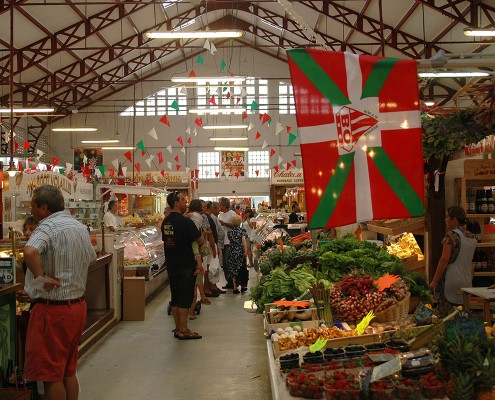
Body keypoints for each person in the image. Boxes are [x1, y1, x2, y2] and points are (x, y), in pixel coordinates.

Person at [23, 185, 97, 400]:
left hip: (52, 310)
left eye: (33, 205)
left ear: (44, 208)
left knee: (50, 376)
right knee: (68, 370)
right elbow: (91, 258)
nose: (32, 210)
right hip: (77, 306)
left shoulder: (47, 227)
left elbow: (29, 251)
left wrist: (39, 278)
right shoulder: (79, 227)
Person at [161, 191, 204, 340]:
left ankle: (178, 328)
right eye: (182, 200)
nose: (186, 201)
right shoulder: (186, 222)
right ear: (176, 203)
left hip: (172, 263)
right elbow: (200, 241)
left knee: (175, 296)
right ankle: (184, 330)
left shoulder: (165, 222)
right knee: (185, 297)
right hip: (186, 263)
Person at [430, 206, 477, 318]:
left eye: (447, 217)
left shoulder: (450, 236)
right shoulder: (472, 236)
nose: (445, 220)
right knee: (462, 318)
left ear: (454, 219)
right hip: (466, 281)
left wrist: (434, 281)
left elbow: (444, 259)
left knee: (446, 318)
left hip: (451, 282)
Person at [226, 214, 250, 294]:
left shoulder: (229, 231)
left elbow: (230, 240)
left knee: (233, 269)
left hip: (232, 250)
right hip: (240, 251)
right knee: (242, 268)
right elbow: (244, 241)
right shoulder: (242, 230)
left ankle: (235, 288)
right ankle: (243, 286)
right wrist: (246, 250)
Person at [218, 197, 237, 289]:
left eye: (220, 204)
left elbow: (235, 225)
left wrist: (224, 223)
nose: (219, 206)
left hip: (229, 241)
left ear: (225, 205)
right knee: (224, 264)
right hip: (222, 242)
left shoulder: (232, 214)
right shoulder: (220, 214)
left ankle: (233, 282)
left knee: (229, 262)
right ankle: (228, 281)